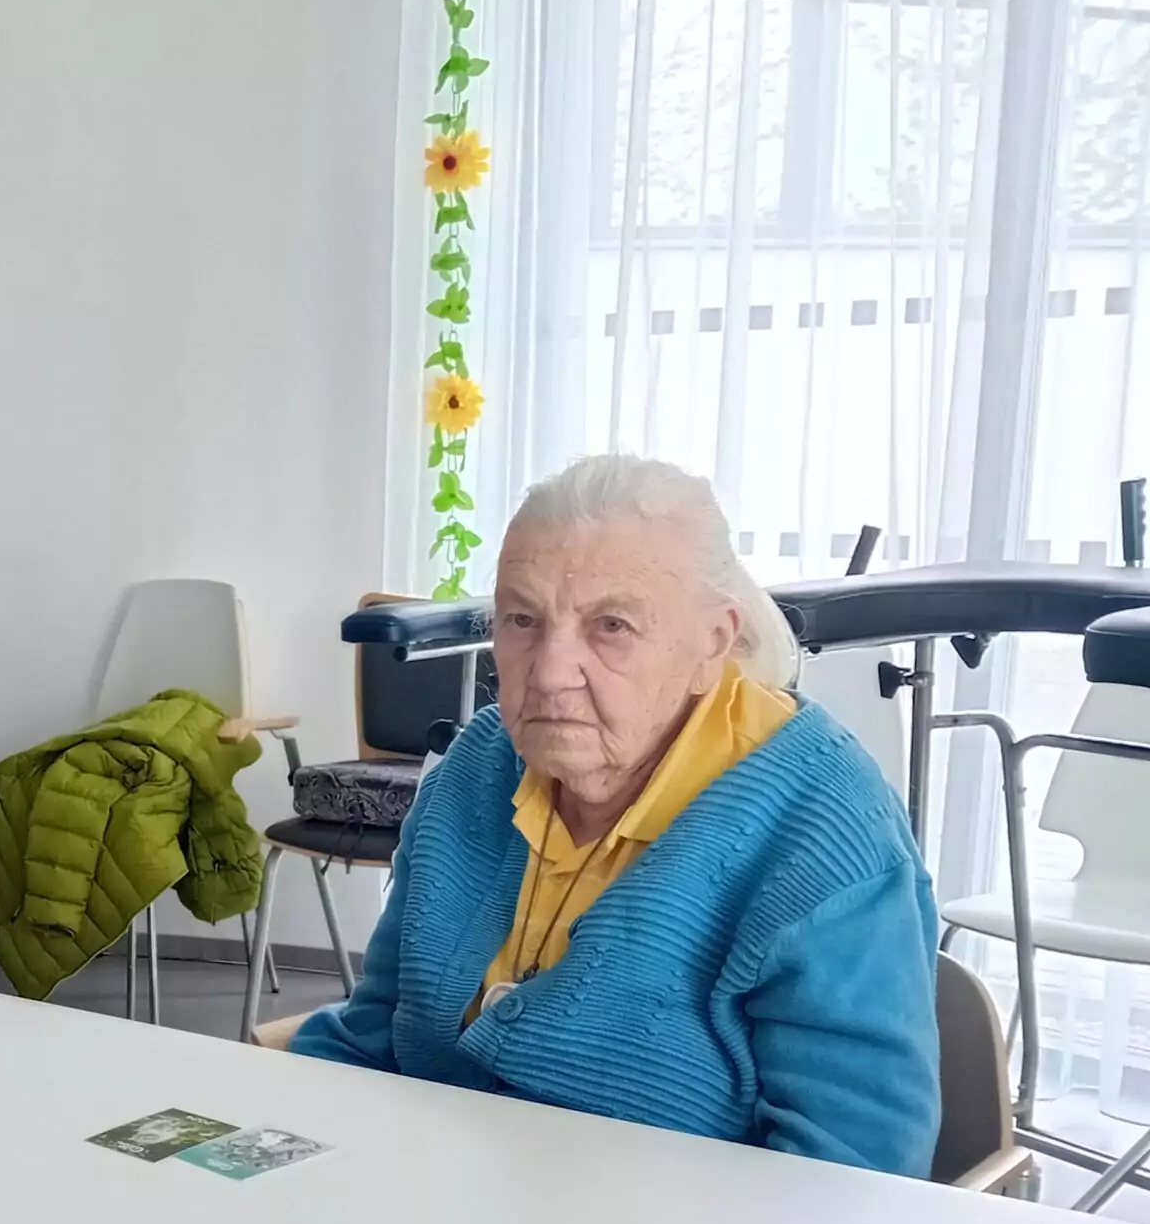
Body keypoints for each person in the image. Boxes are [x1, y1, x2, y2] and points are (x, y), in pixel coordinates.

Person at [291, 453, 941, 1177]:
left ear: (714, 642)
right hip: (428, 1204)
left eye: (612, 625)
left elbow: (850, 1177)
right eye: (522, 619)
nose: (549, 672)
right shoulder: (475, 770)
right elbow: (374, 1036)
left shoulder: (825, 832)